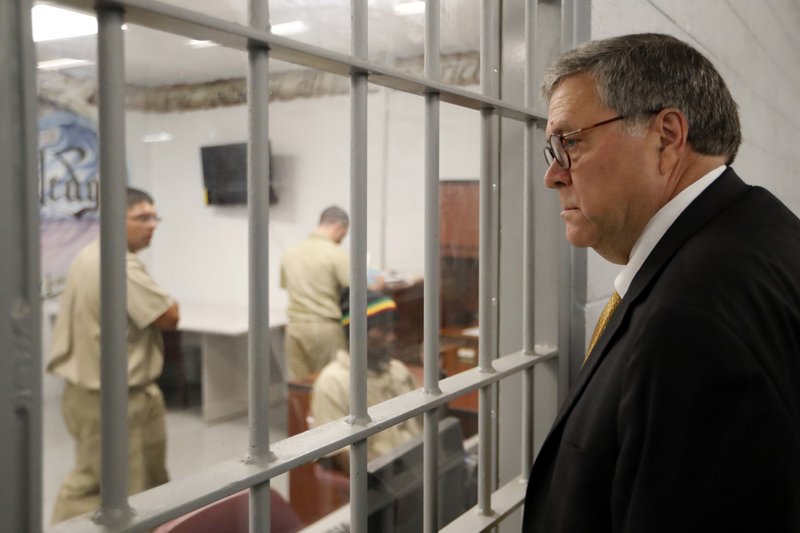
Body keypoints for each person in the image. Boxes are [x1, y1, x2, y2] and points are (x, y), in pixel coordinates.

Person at [522, 33, 800, 532]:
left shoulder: (689, 318)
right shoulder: (761, 230)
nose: (553, 176)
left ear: (667, 137)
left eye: (570, 142)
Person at [48, 187, 180, 523]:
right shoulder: (117, 262)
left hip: (93, 394)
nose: (152, 225)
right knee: (107, 490)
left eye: (154, 217)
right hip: (113, 400)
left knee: (126, 483)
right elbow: (169, 315)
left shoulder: (89, 254)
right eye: (141, 217)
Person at [310, 288, 421, 473]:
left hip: (421, 468)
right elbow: (344, 456)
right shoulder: (333, 383)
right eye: (384, 331)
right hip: (390, 483)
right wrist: (401, 474)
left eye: (392, 330)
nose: (392, 337)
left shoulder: (397, 369)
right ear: (357, 334)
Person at [280, 206, 350, 379]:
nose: (341, 239)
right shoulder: (336, 254)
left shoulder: (290, 253)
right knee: (330, 383)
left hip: (294, 328)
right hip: (324, 328)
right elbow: (356, 287)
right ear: (338, 227)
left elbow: (285, 285)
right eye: (343, 234)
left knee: (300, 388)